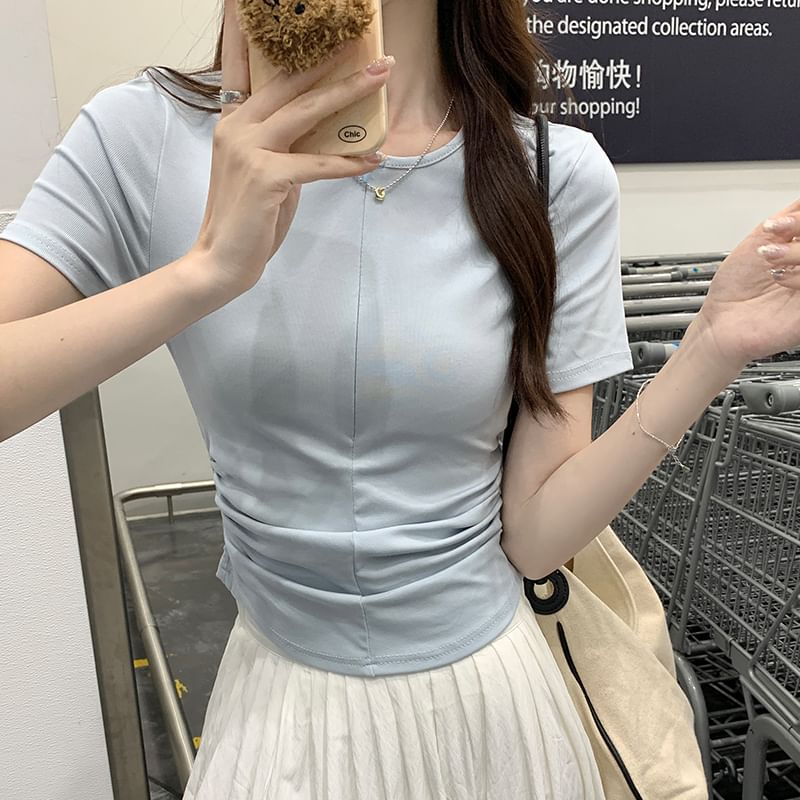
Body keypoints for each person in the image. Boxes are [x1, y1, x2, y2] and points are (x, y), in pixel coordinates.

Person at [1, 0, 798, 797]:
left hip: (494, 715)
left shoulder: (552, 171)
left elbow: (535, 538)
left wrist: (710, 347)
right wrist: (205, 272)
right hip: (280, 721)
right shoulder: (148, 134)